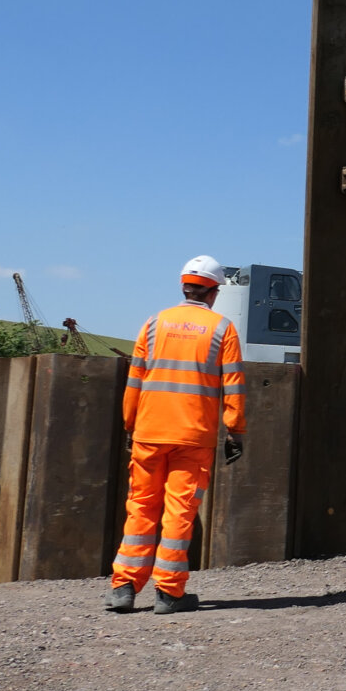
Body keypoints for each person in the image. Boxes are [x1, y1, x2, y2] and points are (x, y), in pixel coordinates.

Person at [108, 255, 246, 615]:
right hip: (193, 436)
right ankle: (169, 593)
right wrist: (235, 431)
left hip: (149, 431)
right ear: (214, 292)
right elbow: (233, 385)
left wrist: (129, 424)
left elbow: (135, 379)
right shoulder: (222, 329)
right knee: (179, 511)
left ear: (184, 287)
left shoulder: (154, 324)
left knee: (140, 506)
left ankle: (124, 587)